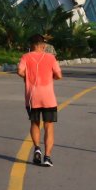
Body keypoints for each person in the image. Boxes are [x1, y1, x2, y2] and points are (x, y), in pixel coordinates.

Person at [17, 32, 62, 166]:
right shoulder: (51, 58)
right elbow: (59, 75)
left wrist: (28, 78)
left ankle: (37, 148)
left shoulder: (25, 56)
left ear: (31, 45)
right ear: (43, 45)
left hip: (32, 97)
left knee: (34, 123)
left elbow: (19, 71)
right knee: (48, 126)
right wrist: (50, 77)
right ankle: (47, 157)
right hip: (48, 97)